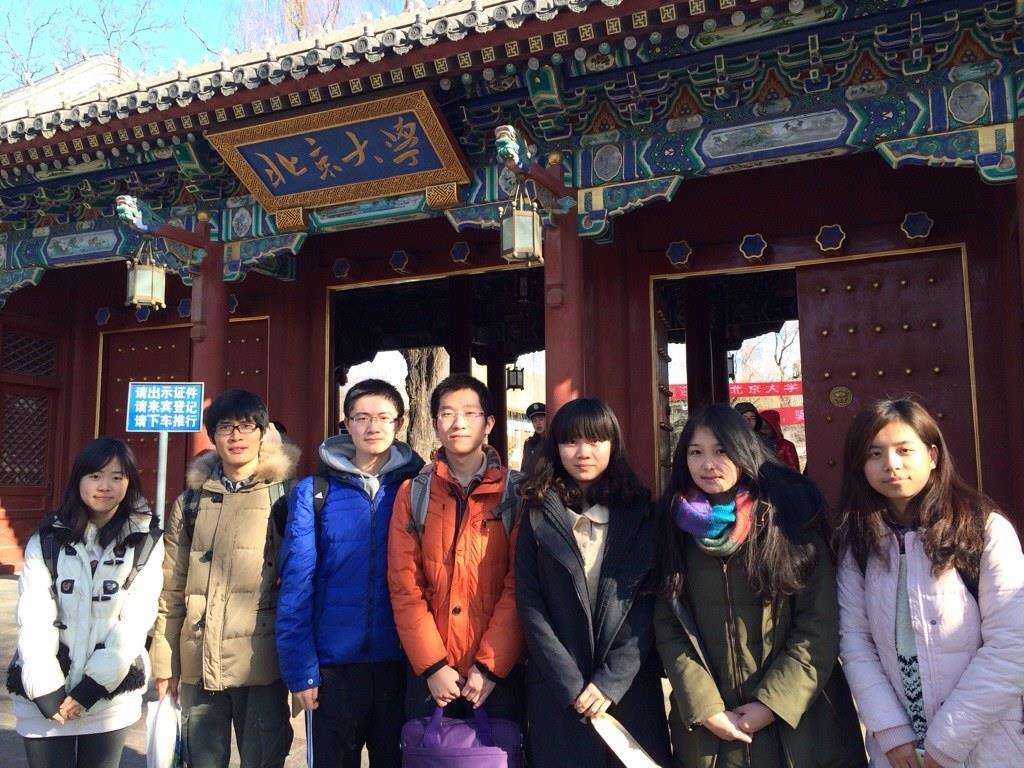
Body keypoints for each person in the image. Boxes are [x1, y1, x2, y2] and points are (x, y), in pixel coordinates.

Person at [651, 404, 865, 768]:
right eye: (695, 452)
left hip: (799, 726)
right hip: (713, 734)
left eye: (721, 451)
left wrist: (771, 705)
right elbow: (670, 627)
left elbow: (818, 625)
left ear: (744, 449)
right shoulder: (673, 528)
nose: (708, 464)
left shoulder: (787, 520)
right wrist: (704, 707)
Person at [835, 398, 1024, 768]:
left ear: (933, 455)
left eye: (904, 450)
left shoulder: (983, 529)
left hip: (984, 743)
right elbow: (855, 642)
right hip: (899, 752)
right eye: (875, 454)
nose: (891, 464)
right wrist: (891, 732)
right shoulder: (858, 541)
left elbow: (1012, 643)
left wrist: (946, 743)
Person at [515, 398, 671, 768]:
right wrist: (570, 683)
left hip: (628, 689)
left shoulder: (642, 513)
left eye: (596, 440)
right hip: (558, 692)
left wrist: (611, 681)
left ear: (613, 445)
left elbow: (647, 602)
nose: (583, 452)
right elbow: (530, 602)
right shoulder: (537, 513)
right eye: (571, 441)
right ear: (556, 447)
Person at [276, 379, 424, 768]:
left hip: (402, 663)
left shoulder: (419, 488)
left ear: (399, 423)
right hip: (333, 666)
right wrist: (300, 670)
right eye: (361, 417)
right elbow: (296, 586)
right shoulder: (314, 491)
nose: (373, 426)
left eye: (383, 417)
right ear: (346, 424)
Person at [149, 389, 300, 768]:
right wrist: (164, 663)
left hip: (260, 662)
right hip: (198, 659)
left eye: (246, 426)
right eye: (225, 427)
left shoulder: (286, 497)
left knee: (263, 760)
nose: (236, 436)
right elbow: (171, 586)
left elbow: (302, 584)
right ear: (213, 436)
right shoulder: (191, 501)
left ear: (263, 433)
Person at [10, 438, 163, 768]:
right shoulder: (47, 538)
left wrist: (93, 687)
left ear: (130, 482)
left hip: (109, 693)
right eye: (95, 476)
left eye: (117, 477)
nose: (105, 486)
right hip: (45, 694)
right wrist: (45, 688)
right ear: (78, 479)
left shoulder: (144, 542)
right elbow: (34, 614)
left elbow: (136, 618)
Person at [387, 373, 525, 722]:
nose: (458, 423)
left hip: (499, 673)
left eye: (469, 413)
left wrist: (490, 666)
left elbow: (520, 584)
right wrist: (433, 665)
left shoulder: (517, 494)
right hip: (431, 675)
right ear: (435, 423)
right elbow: (405, 585)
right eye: (447, 414)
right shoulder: (413, 493)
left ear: (489, 423)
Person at [521, 401, 546, 475]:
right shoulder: (529, 443)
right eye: (534, 420)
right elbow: (524, 467)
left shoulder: (552, 441)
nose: (538, 423)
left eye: (541, 419)